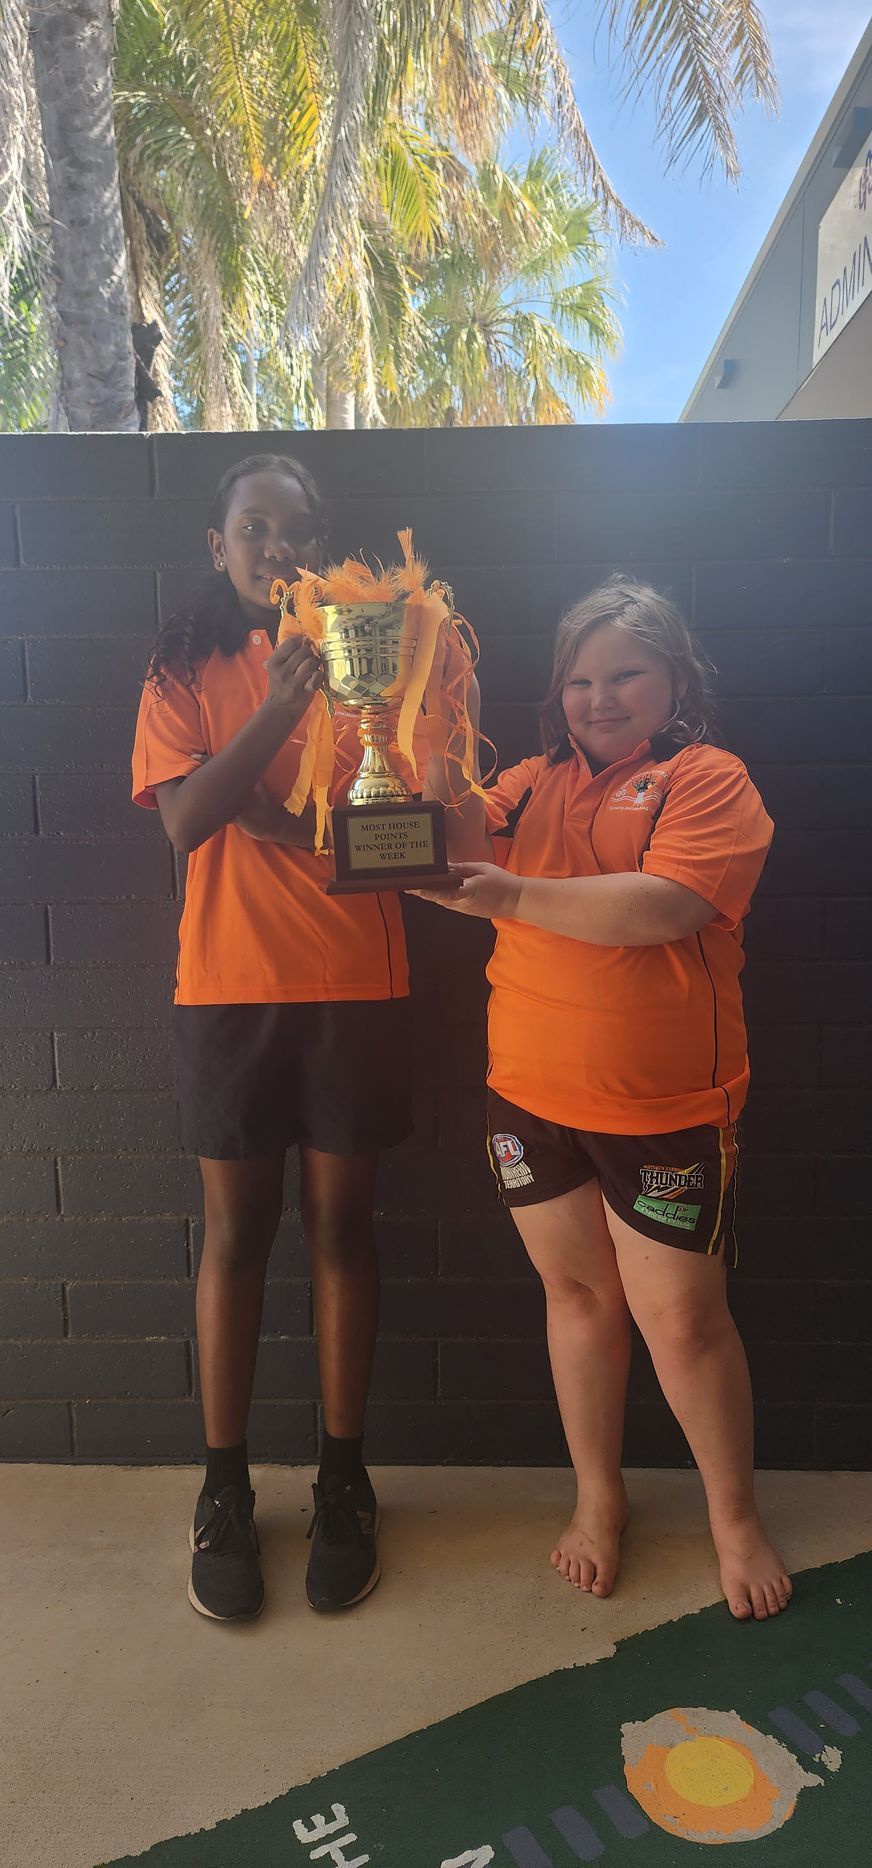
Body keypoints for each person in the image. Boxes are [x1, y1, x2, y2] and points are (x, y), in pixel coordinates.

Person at [413, 575, 792, 1623]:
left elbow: (664, 906)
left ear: (673, 677)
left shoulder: (706, 779)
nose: (598, 695)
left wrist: (506, 893)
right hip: (527, 1099)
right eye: (578, 678)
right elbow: (444, 853)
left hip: (664, 1108)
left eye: (623, 672)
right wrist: (437, 730)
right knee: (576, 1301)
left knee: (682, 1324)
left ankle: (731, 1516)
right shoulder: (526, 782)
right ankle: (598, 1497)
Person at [132, 453, 463, 1623]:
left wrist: (408, 803)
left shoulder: (380, 644)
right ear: (217, 545)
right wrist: (279, 706)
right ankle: (223, 1487)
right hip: (226, 986)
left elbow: (420, 810)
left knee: (342, 1226)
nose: (275, 547)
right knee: (235, 1234)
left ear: (321, 547)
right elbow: (184, 820)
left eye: (296, 531)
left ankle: (341, 1475)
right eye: (253, 528)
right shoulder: (183, 667)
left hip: (358, 979)